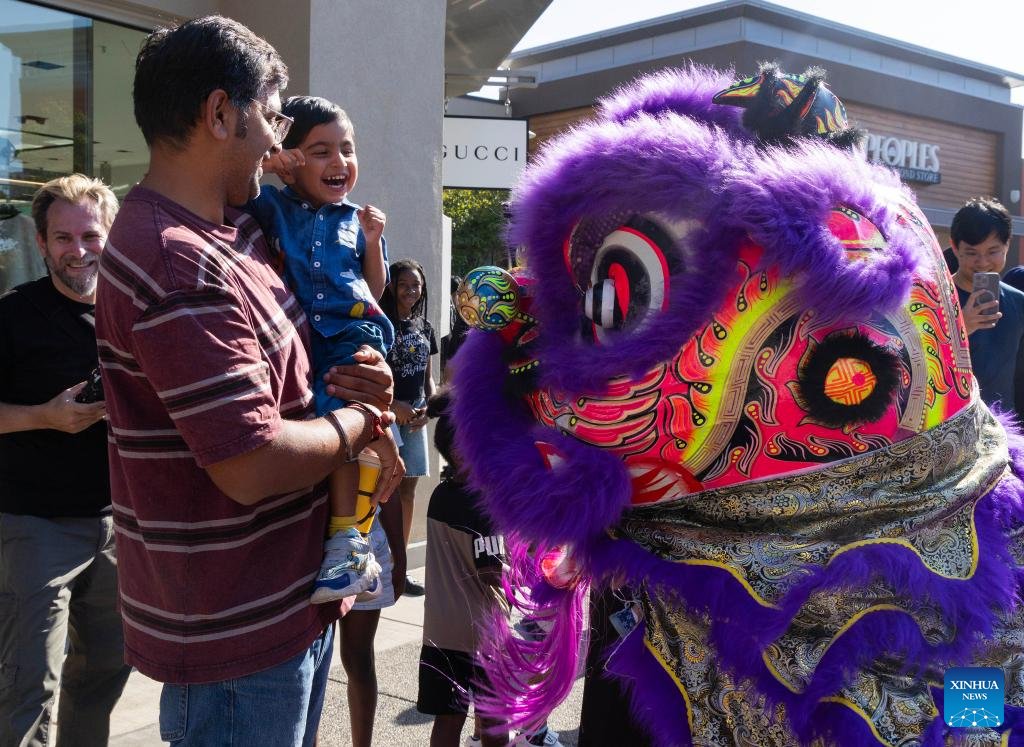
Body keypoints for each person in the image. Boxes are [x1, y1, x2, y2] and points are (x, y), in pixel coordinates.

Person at [94, 16, 403, 746]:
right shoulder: (176, 261)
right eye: (269, 117)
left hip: (285, 608)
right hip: (235, 637)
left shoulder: (240, 232)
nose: (277, 142)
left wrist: (362, 377)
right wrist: (365, 420)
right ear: (219, 113)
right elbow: (253, 461)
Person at [0, 174, 130, 747]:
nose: (78, 251)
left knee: (103, 674)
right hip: (34, 528)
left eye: (90, 235)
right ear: (41, 239)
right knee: (29, 689)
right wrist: (42, 417)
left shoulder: (131, 316)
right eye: (63, 238)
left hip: (116, 528)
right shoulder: (13, 315)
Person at [248, 95, 394, 603]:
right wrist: (268, 161)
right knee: (330, 431)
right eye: (320, 151)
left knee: (341, 431)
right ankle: (355, 535)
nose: (339, 162)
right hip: (305, 337)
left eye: (347, 150)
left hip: (353, 334)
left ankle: (345, 542)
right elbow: (232, 193)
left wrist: (374, 241)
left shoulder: (356, 219)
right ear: (290, 163)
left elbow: (374, 291)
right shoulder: (271, 204)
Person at [381, 258, 437, 596]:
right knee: (382, 489)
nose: (411, 291)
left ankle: (399, 567)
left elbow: (428, 378)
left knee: (408, 490)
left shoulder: (425, 328)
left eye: (416, 285)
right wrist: (392, 407)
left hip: (416, 422)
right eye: (404, 284)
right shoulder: (382, 325)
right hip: (387, 419)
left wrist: (429, 407)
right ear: (391, 286)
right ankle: (379, 563)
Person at [949, 196, 1024, 414]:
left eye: (993, 252)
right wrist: (960, 329)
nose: (983, 262)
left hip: (1004, 433)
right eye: (972, 253)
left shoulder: (1019, 303)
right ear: (954, 247)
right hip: (946, 430)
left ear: (1007, 246)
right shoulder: (934, 298)